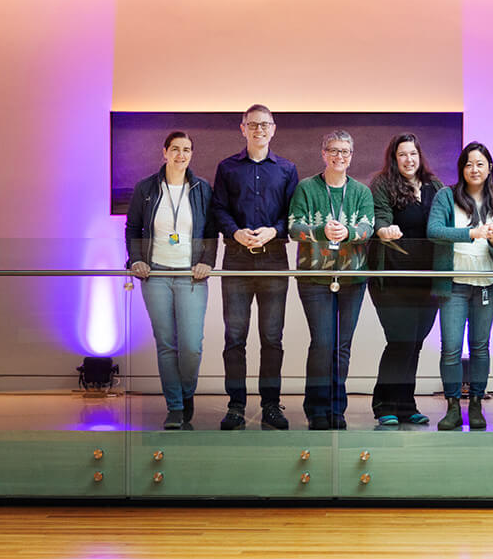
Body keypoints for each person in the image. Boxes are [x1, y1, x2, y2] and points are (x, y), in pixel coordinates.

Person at [211, 104, 299, 431]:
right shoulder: (227, 168)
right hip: (236, 260)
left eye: (265, 125)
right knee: (235, 337)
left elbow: (293, 215)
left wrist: (274, 230)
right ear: (243, 128)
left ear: (273, 129)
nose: (259, 130)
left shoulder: (287, 170)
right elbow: (218, 209)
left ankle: (271, 405)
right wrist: (235, 232)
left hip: (274, 260)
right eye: (253, 124)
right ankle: (235, 406)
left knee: (272, 338)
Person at [126, 131, 217, 430]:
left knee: (191, 345)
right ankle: (175, 407)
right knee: (166, 344)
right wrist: (136, 259)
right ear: (164, 152)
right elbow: (133, 228)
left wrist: (207, 262)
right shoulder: (147, 189)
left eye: (187, 150)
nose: (181, 155)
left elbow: (211, 231)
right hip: (157, 274)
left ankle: (186, 393)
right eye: (175, 149)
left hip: (191, 275)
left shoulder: (202, 188)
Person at [289, 129, 374, 430]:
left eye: (345, 152)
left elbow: (367, 229)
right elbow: (293, 226)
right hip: (314, 278)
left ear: (351, 157)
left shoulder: (362, 192)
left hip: (352, 279)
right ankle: (316, 409)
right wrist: (320, 231)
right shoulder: (306, 188)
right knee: (323, 343)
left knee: (342, 346)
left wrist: (348, 234)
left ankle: (337, 408)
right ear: (323, 154)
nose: (340, 157)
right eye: (334, 151)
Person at [427, 142, 493, 431]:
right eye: (469, 163)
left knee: (480, 348)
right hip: (454, 283)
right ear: (462, 168)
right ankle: (450, 406)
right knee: (450, 347)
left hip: (486, 283)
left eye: (480, 164)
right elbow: (434, 231)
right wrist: (473, 232)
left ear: (489, 168)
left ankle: (475, 405)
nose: (475, 169)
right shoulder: (446, 196)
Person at [368, 133, 444, 426]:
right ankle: (384, 403)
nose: (408, 160)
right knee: (399, 340)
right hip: (393, 278)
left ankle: (406, 403)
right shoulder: (383, 184)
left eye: (413, 154)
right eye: (402, 155)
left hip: (427, 280)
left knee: (415, 343)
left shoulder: (434, 186)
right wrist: (384, 229)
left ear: (419, 156)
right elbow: (381, 218)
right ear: (394, 158)